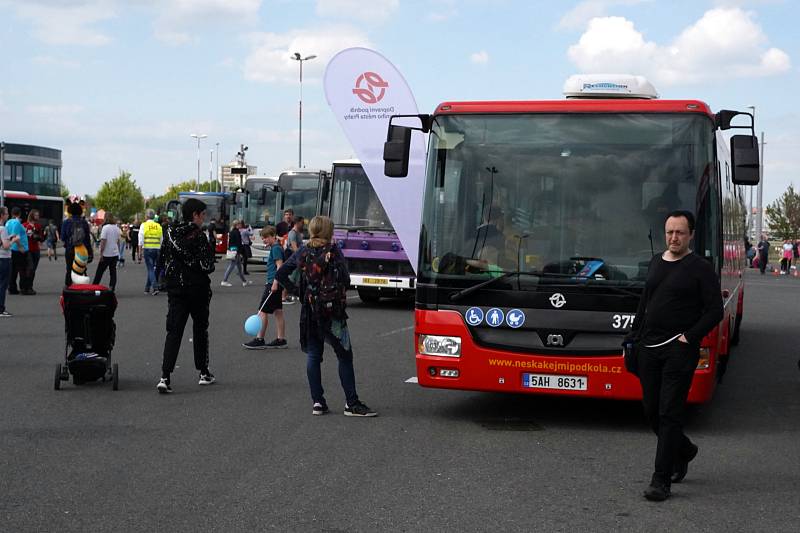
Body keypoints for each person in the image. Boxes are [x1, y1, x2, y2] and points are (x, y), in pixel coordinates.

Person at [624, 210, 723, 502]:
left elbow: (715, 310)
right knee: (651, 411)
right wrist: (633, 336)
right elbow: (645, 303)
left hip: (679, 350)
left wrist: (688, 337)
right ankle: (684, 449)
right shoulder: (656, 262)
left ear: (690, 234)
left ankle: (661, 479)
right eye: (669, 232)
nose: (673, 238)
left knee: (669, 412)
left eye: (679, 232)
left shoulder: (700, 268)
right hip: (648, 348)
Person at [275, 215, 377, 417]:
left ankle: (318, 402)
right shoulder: (333, 251)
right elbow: (345, 279)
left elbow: (281, 274)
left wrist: (298, 291)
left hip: (310, 311)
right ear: (328, 232)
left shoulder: (303, 251)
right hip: (332, 312)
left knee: (314, 355)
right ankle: (351, 402)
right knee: (344, 356)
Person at [155, 198, 217, 393]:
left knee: (174, 331)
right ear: (195, 215)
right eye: (203, 214)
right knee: (200, 330)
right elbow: (208, 265)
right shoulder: (199, 236)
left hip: (176, 290)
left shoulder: (170, 233)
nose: (204, 218)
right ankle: (203, 372)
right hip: (197, 289)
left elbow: (163, 259)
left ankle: (165, 376)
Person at [242, 226, 287, 349]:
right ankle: (280, 339)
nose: (264, 240)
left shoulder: (276, 249)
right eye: (263, 238)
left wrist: (274, 283)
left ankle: (259, 339)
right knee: (278, 311)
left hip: (273, 283)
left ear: (273, 235)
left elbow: (280, 266)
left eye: (266, 237)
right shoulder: (277, 247)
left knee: (262, 312)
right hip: (277, 283)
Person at [61, 202, 93, 287]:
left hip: (70, 249)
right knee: (81, 268)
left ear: (70, 211)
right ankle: (82, 286)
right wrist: (90, 251)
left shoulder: (66, 222)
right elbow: (87, 239)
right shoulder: (84, 222)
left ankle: (68, 286)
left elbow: (63, 237)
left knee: (69, 268)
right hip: (82, 249)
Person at [1, 206, 22, 317]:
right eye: (6, 213)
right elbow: (5, 246)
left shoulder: (3, 229)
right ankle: (1, 309)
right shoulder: (2, 228)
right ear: (2, 215)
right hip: (4, 258)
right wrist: (14, 239)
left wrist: (9, 236)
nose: (8, 215)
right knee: (3, 285)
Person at [92, 214, 121, 291]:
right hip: (115, 253)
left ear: (105, 219)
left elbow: (103, 241)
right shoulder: (117, 228)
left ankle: (94, 286)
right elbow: (118, 241)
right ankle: (112, 287)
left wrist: (101, 253)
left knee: (100, 271)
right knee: (113, 271)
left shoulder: (105, 228)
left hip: (106, 253)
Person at [6, 207, 30, 295]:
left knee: (13, 270)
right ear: (19, 213)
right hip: (19, 250)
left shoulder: (8, 222)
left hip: (12, 249)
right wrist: (21, 247)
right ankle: (23, 288)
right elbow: (15, 236)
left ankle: (12, 288)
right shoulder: (16, 222)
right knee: (23, 269)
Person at [138, 210, 163, 294]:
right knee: (152, 269)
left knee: (150, 269)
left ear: (146, 216)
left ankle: (155, 288)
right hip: (157, 249)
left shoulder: (144, 225)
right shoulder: (158, 226)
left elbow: (140, 240)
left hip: (148, 249)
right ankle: (147, 288)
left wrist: (139, 253)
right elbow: (161, 240)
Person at [221, 220, 251, 287]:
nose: (241, 225)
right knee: (232, 266)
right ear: (237, 225)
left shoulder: (232, 232)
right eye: (240, 224)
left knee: (239, 268)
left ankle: (244, 281)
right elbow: (238, 243)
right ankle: (224, 280)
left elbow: (231, 242)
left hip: (233, 250)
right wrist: (240, 252)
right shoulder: (237, 232)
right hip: (236, 251)